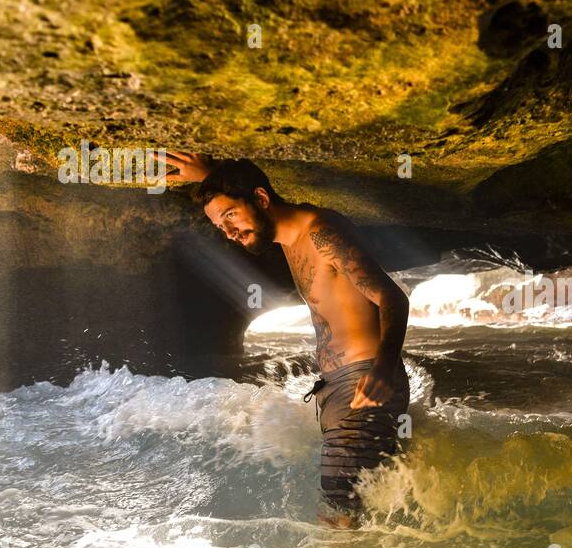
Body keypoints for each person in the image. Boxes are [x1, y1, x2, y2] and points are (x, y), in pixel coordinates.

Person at [167, 152, 410, 527]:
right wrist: (213, 178)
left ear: (262, 199)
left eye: (230, 216)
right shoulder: (287, 233)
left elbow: (392, 297)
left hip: (363, 383)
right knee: (362, 502)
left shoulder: (322, 231)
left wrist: (384, 368)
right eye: (220, 225)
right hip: (337, 388)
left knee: (340, 502)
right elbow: (248, 198)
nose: (229, 232)